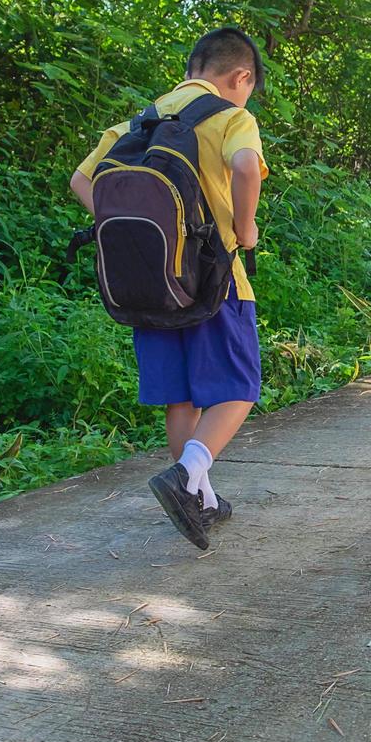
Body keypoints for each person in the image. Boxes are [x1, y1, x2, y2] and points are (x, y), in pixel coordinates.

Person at [69, 28, 267, 549]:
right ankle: (187, 476)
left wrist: (132, 234)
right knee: (239, 389)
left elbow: (80, 180)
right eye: (248, 87)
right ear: (240, 76)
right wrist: (245, 231)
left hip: (146, 284)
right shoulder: (229, 116)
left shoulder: (139, 123)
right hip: (213, 280)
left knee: (180, 399)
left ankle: (199, 502)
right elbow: (247, 166)